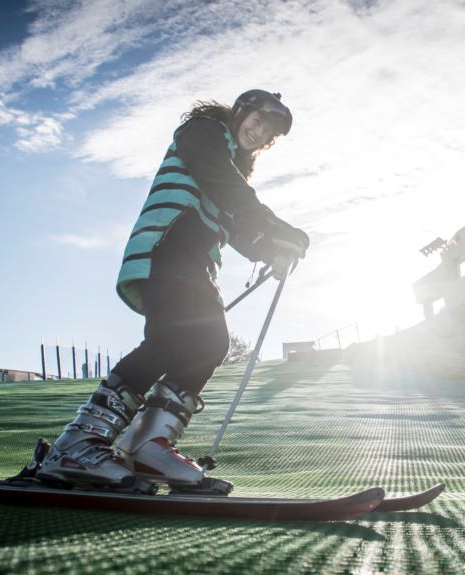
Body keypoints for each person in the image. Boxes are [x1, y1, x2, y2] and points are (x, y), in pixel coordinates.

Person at [38, 90, 309, 492]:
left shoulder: (231, 170)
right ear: (240, 113)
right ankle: (77, 444)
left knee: (210, 344)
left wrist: (273, 250)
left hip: (195, 266)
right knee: (170, 341)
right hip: (165, 249)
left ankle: (148, 446)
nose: (259, 133)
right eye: (257, 120)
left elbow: (238, 228)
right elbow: (224, 183)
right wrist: (275, 226)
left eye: (268, 133)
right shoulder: (203, 132)